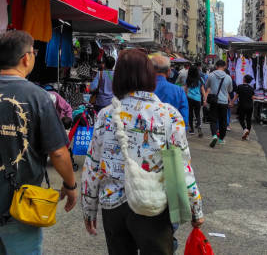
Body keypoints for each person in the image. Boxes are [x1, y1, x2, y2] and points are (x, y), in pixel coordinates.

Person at [0, 31, 77, 254]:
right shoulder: (39, 98)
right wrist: (70, 185)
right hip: (20, 203)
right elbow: (58, 152)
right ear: (26, 58)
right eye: (34, 52)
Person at [81, 49, 204, 254]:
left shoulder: (105, 115)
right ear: (150, 76)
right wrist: (196, 209)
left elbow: (92, 165)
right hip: (152, 205)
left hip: (113, 207)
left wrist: (89, 208)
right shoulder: (168, 115)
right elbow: (183, 166)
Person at [152, 54, 189, 127]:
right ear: (169, 72)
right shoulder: (178, 91)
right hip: (172, 132)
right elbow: (184, 118)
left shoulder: (143, 88)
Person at [204, 60, 234, 148]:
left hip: (214, 101)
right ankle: (221, 139)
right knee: (223, 121)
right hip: (224, 102)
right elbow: (230, 90)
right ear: (224, 66)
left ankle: (214, 135)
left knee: (213, 119)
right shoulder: (228, 77)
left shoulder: (211, 75)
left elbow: (206, 86)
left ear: (216, 66)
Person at [184, 65, 206, 137]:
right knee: (198, 114)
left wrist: (184, 97)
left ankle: (192, 130)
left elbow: (185, 90)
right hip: (197, 99)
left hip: (189, 98)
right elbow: (202, 90)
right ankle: (199, 126)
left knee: (190, 114)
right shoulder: (200, 79)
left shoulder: (188, 79)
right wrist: (204, 99)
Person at [236, 75, 255, 141]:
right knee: (248, 120)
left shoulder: (240, 86)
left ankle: (245, 129)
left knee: (241, 119)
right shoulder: (251, 88)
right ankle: (247, 136)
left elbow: (236, 96)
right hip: (250, 106)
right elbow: (253, 98)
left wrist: (232, 102)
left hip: (242, 105)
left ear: (244, 79)